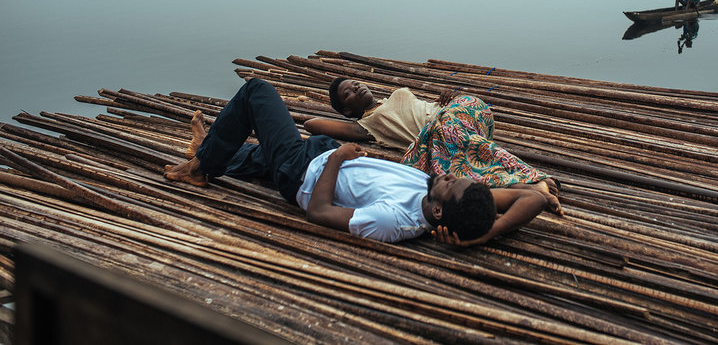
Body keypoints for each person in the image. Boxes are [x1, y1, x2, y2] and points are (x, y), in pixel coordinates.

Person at [164, 78, 549, 245]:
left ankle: (200, 168)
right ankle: (208, 152)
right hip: (319, 156)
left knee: (257, 92)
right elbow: (536, 198)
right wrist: (488, 232)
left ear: (436, 209)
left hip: (302, 172)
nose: (446, 174)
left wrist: (338, 159)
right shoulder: (449, 201)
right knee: (261, 154)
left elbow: (318, 212)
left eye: (450, 183)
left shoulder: (394, 219)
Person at [305, 78, 562, 214]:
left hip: (464, 112)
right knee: (446, 154)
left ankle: (526, 180)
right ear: (348, 109)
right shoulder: (366, 126)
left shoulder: (388, 99)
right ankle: (531, 184)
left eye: (355, 83)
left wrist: (446, 99)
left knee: (443, 130)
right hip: (449, 136)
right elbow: (311, 123)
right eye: (349, 92)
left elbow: (427, 111)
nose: (357, 86)